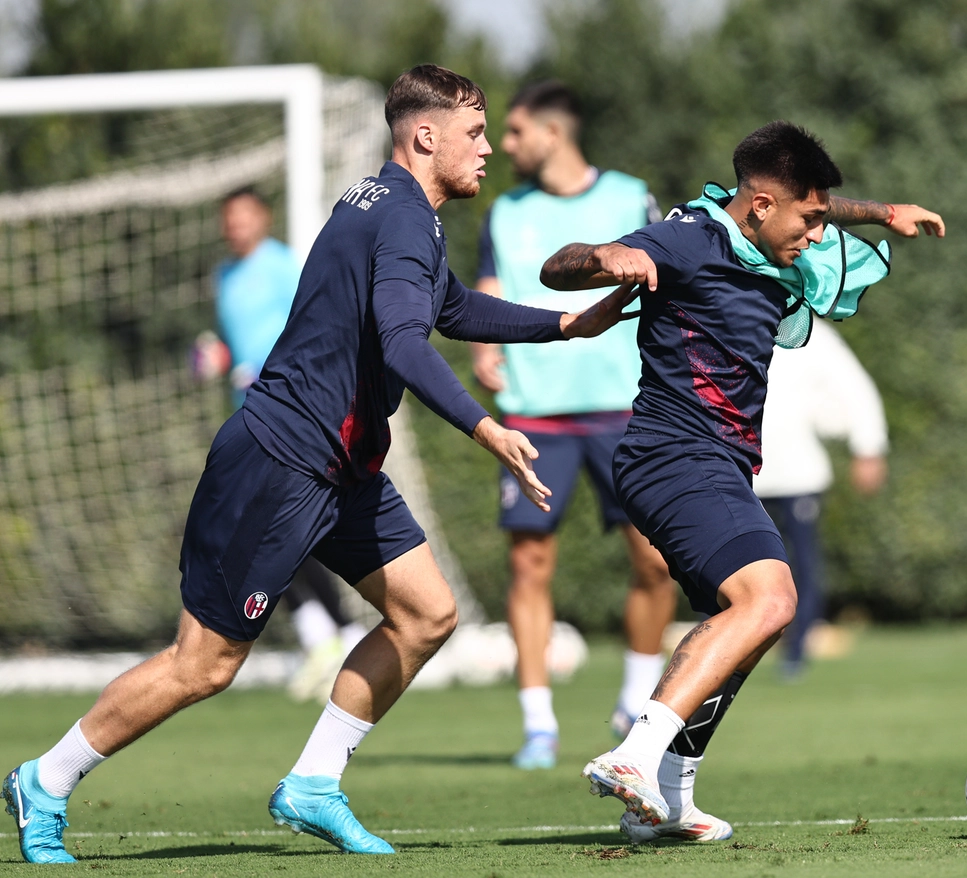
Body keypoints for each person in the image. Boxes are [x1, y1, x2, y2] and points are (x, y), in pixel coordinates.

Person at [3, 64, 637, 863]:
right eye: (475, 134)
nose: (488, 150)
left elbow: (447, 307)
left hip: (337, 467)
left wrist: (565, 325)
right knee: (203, 665)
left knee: (427, 612)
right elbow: (408, 342)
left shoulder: (393, 206)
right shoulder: (404, 218)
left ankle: (312, 785)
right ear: (425, 136)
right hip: (281, 459)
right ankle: (45, 780)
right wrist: (486, 429)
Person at [540, 120, 944, 843]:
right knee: (772, 596)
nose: (818, 236)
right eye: (810, 221)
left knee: (751, 619)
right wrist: (608, 257)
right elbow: (558, 267)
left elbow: (811, 205)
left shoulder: (763, 222)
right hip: (672, 456)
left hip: (714, 464)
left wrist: (884, 213)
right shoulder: (686, 238)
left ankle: (671, 793)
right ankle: (635, 756)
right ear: (759, 207)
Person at [470, 81, 676, 770]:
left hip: (626, 408)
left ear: (553, 134)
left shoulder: (630, 194)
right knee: (529, 566)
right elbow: (489, 291)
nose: (505, 145)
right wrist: (483, 350)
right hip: (534, 413)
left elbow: (668, 277)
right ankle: (537, 725)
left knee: (655, 560)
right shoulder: (504, 211)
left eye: (518, 132)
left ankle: (636, 699)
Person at [214, 186, 369, 702]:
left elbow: (309, 324)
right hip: (254, 417)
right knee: (263, 530)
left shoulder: (283, 265)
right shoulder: (222, 278)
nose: (236, 226)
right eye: (228, 218)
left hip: (297, 414)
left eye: (244, 216)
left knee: (286, 527)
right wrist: (219, 358)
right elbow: (238, 344)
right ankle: (326, 638)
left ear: (262, 218)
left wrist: (266, 368)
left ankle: (336, 636)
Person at [752, 321, 888, 678]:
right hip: (743, 474)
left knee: (802, 565)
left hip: (798, 474)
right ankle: (723, 653)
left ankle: (795, 654)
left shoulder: (812, 332)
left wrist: (869, 447)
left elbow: (855, 388)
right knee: (731, 566)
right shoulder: (727, 320)